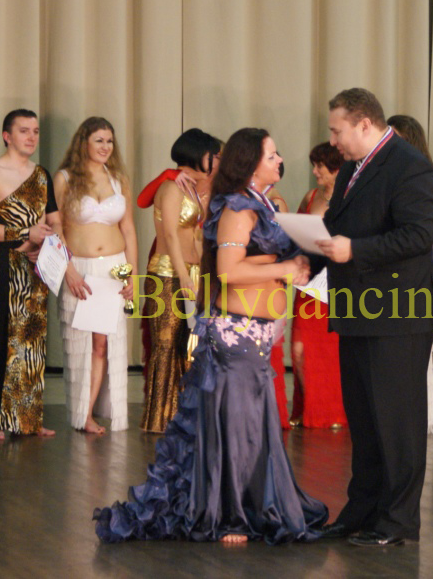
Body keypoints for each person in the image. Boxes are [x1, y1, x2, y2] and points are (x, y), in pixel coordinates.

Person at [93, 128, 327, 545]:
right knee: (237, 426)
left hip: (256, 334)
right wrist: (284, 269)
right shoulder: (237, 208)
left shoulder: (262, 203)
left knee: (252, 424)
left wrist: (303, 262)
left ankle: (252, 503)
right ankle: (230, 513)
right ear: (250, 163)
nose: (279, 160)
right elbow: (228, 271)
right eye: (271, 155)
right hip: (235, 335)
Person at [316, 88, 433, 547]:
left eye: (337, 131)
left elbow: (418, 236)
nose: (333, 141)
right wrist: (303, 245)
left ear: (364, 124)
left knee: (398, 425)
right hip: (359, 311)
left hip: (398, 314)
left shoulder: (410, 166)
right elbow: (336, 225)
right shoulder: (354, 166)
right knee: (366, 423)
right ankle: (362, 511)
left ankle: (398, 521)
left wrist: (355, 250)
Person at [0, 109, 60, 441]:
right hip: (3, 263)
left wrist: (48, 242)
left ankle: (27, 417)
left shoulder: (42, 174)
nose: (31, 137)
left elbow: (55, 219)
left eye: (35, 131)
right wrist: (25, 233)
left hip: (35, 265)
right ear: (7, 136)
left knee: (32, 339)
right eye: (24, 131)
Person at [54, 117, 139, 434]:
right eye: (99, 140)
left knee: (104, 345)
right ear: (84, 143)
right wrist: (68, 269)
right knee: (80, 345)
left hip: (114, 268)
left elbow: (128, 229)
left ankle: (92, 413)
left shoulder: (118, 179)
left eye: (109, 141)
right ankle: (81, 414)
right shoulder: (65, 179)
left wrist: (132, 274)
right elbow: (55, 228)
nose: (105, 147)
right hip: (80, 269)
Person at [140, 128, 221, 433]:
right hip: (167, 274)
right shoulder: (171, 187)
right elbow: (171, 235)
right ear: (198, 154)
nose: (216, 160)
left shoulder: (189, 187)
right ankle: (159, 419)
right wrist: (183, 273)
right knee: (165, 345)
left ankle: (185, 414)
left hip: (193, 272)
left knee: (190, 346)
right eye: (212, 155)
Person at [387, 115, 433, 435]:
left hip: (418, 276)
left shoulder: (432, 177)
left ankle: (419, 417)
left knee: (415, 351)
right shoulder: (384, 175)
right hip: (387, 275)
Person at [289, 142, 348, 429]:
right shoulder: (311, 196)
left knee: (330, 351)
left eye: (319, 166)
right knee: (300, 349)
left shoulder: (350, 197)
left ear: (336, 168)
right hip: (309, 284)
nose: (315, 171)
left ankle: (332, 411)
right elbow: (297, 233)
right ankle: (309, 406)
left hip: (335, 283)